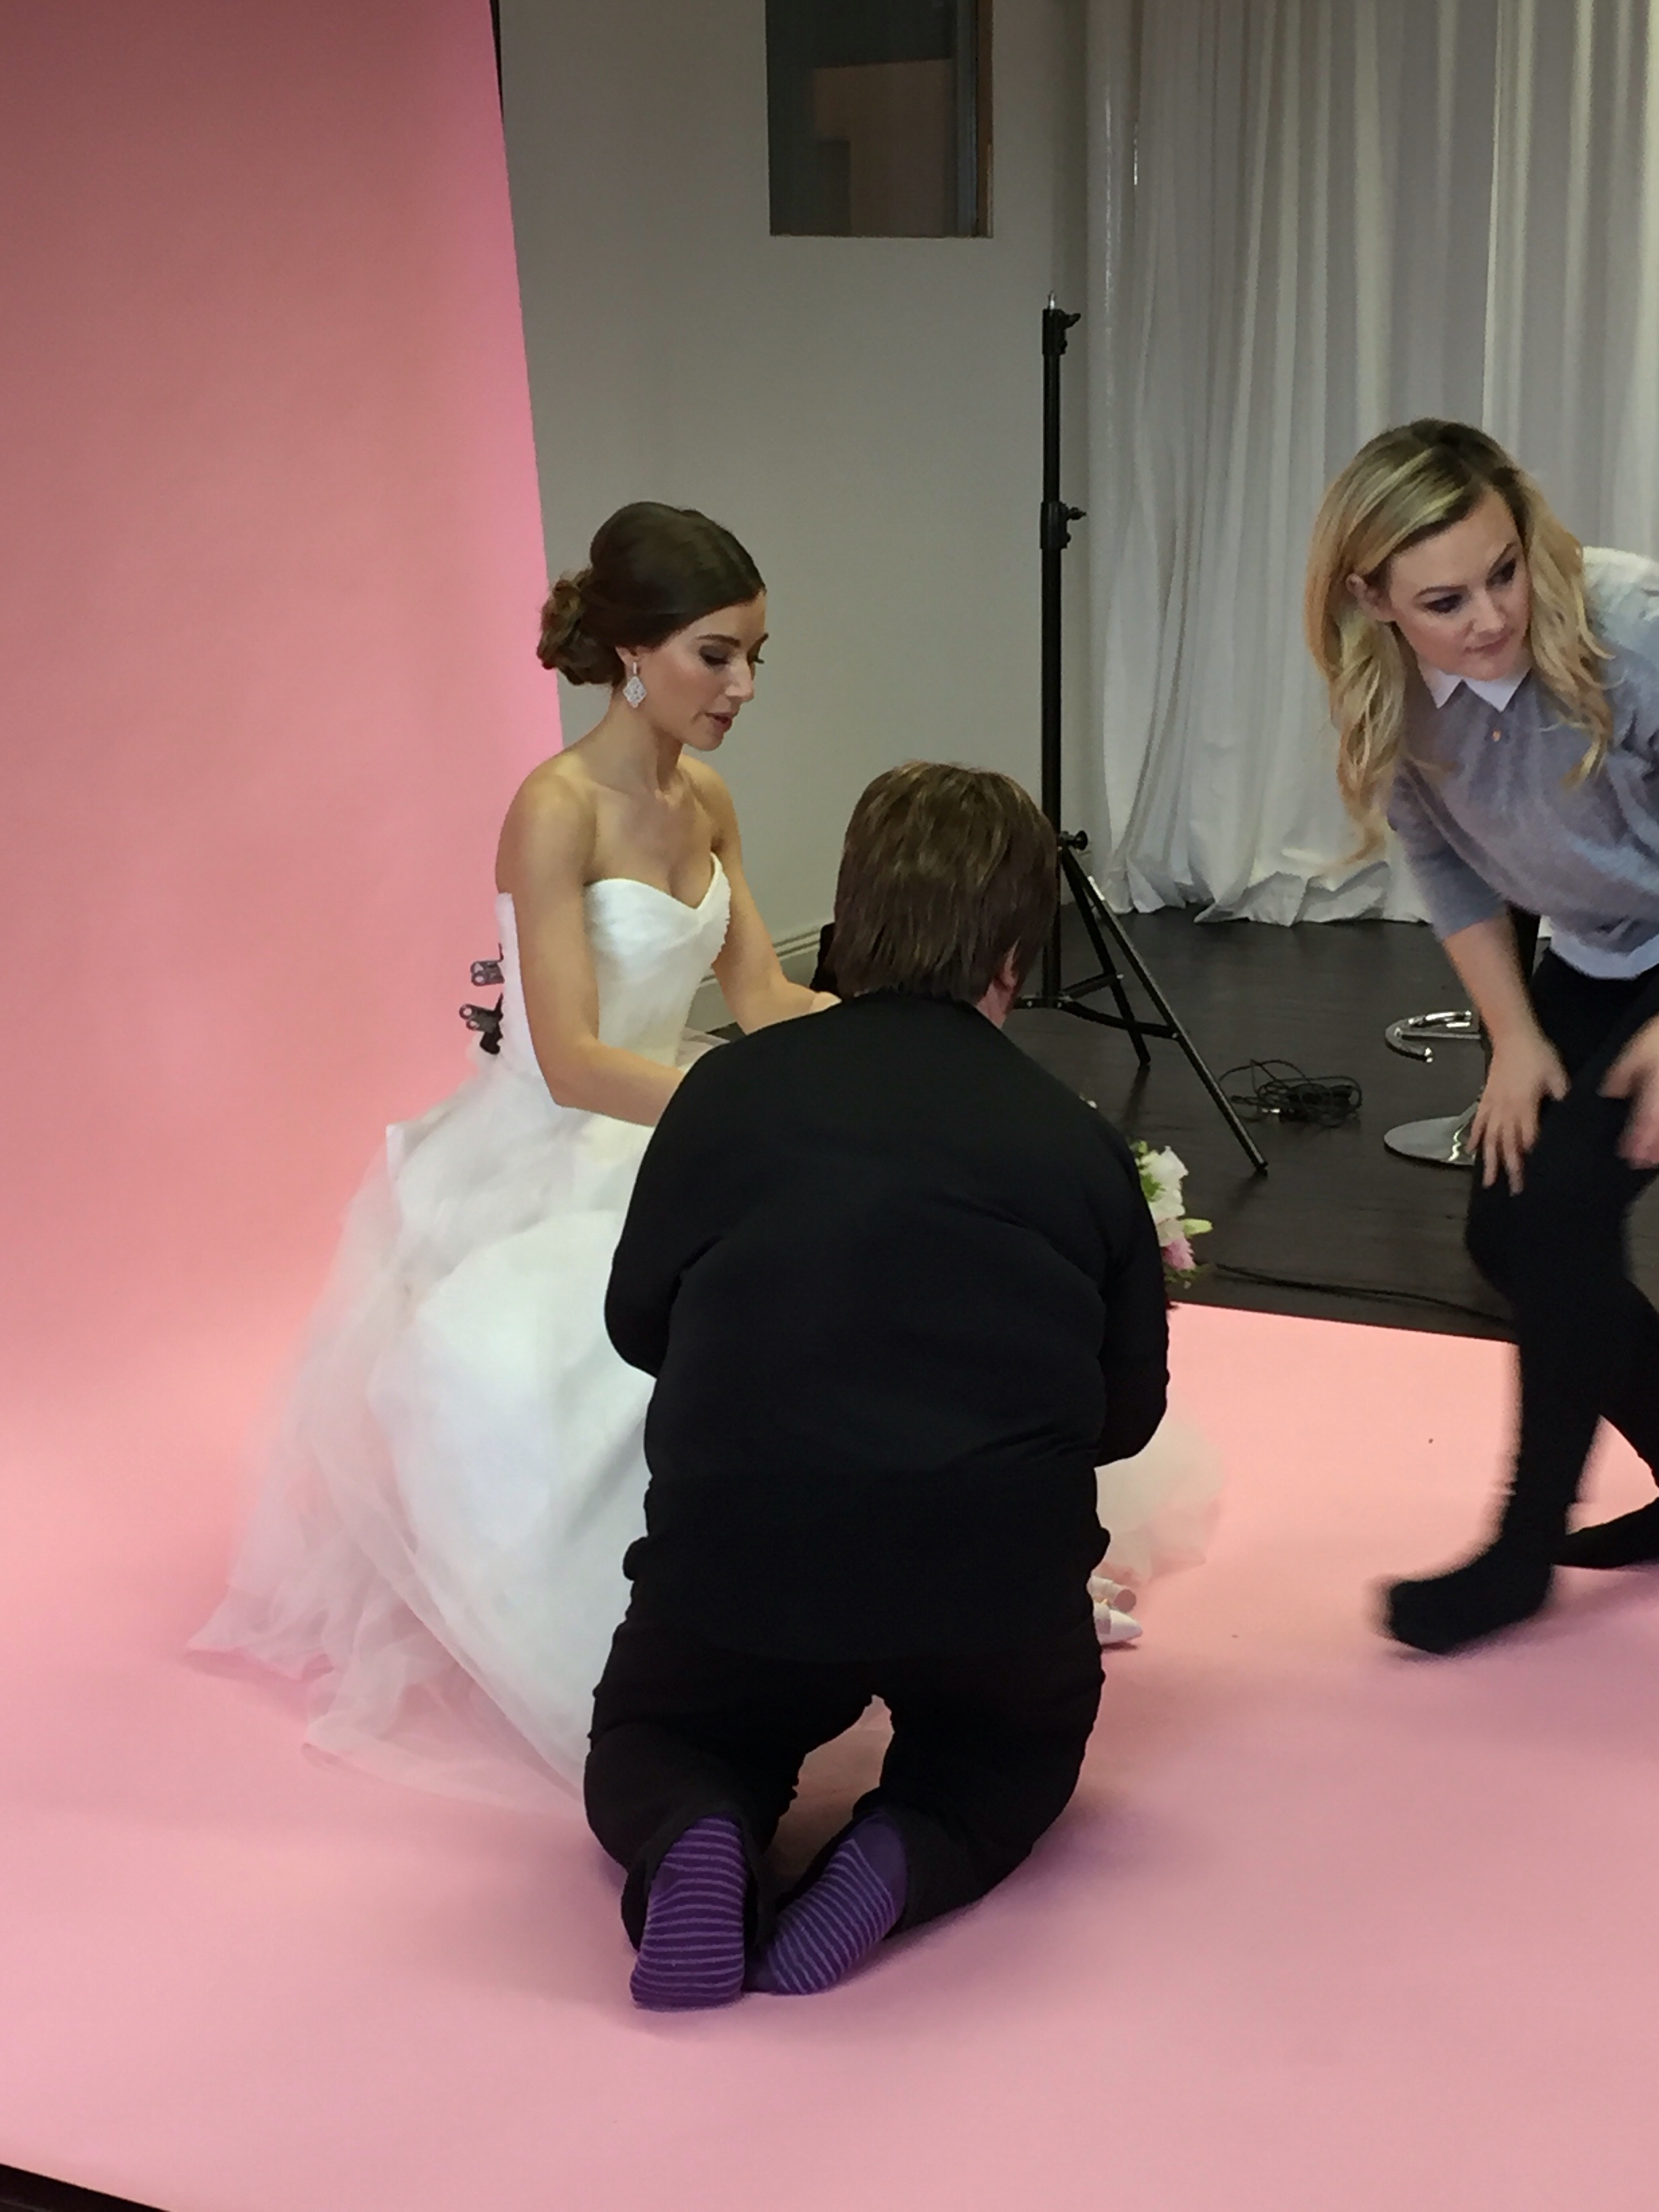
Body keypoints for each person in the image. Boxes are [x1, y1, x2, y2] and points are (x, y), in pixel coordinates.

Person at [193, 502, 832, 1794]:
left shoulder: (706, 798)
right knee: (611, 1352)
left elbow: (763, 996)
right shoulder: (554, 808)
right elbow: (574, 1059)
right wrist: (745, 1115)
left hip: (673, 1117)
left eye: (756, 657)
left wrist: (904, 1047)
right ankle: (656, 1659)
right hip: (557, 1145)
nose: (743, 687)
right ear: (635, 652)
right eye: (716, 655)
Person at [583, 762, 1170, 2009]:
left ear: (850, 920)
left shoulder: (726, 1095)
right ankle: (904, 1850)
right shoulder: (1075, 1144)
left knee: (661, 1737)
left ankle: (696, 1830)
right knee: (1004, 1755)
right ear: (1013, 955)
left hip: (742, 1562)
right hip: (987, 1584)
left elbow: (639, 1327)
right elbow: (1126, 1419)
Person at [1306, 419, 1659, 1655]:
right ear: (1374, 600)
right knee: (1508, 1227)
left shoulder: (1631, 628)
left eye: (1504, 572)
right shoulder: (1389, 692)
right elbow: (1450, 867)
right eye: (1445, 601)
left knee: (1559, 1215)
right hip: (1605, 952)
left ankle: (1518, 1559)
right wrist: (1512, 1035)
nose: (1493, 617)